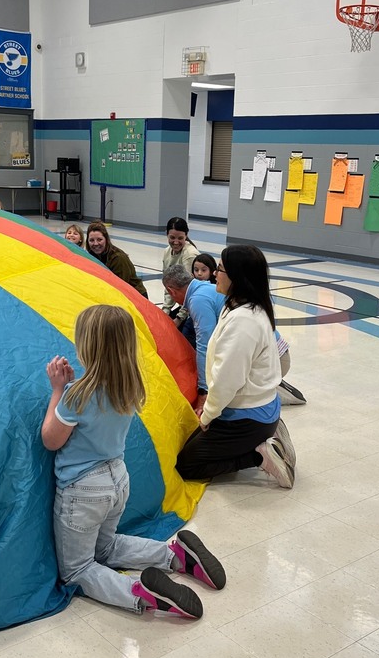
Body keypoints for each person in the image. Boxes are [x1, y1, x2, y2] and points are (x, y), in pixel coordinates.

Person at [42, 305, 225, 619]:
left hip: (84, 490)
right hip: (117, 479)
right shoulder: (130, 386)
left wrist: (57, 390)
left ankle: (138, 592)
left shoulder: (76, 395)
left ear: (86, 345)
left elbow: (51, 439)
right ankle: (175, 556)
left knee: (78, 569)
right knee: (106, 547)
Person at [175, 245, 297, 488]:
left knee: (187, 465)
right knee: (191, 444)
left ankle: (260, 454)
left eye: (219, 269)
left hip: (248, 415)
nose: (214, 274)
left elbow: (227, 380)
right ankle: (264, 435)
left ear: (237, 277)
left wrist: (207, 414)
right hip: (252, 406)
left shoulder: (244, 321)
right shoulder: (240, 305)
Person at [163, 265, 224, 413]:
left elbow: (205, 345)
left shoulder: (198, 299)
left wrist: (203, 391)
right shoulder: (204, 288)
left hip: (268, 359)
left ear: (171, 291)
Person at [85, 221, 148, 298]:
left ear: (106, 239)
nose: (95, 244)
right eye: (91, 240)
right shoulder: (91, 256)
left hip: (136, 297)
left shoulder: (118, 258)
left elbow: (120, 287)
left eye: (99, 239)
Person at [161, 218, 200, 320]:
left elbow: (190, 290)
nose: (176, 242)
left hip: (194, 305)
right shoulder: (167, 251)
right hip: (183, 303)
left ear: (186, 236)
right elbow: (169, 285)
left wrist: (180, 318)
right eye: (172, 237)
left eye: (180, 238)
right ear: (167, 234)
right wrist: (165, 310)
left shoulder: (190, 255)